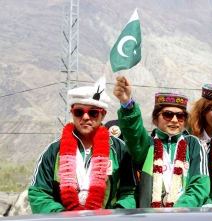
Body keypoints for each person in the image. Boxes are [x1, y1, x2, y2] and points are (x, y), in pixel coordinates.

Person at [28, 76, 137, 213]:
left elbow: (130, 192)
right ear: (72, 113)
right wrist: (61, 216)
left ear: (103, 115)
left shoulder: (119, 149)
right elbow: (38, 193)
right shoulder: (53, 150)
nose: (85, 117)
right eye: (79, 112)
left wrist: (114, 216)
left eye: (93, 112)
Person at [113, 76, 210, 208]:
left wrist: (179, 211)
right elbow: (133, 134)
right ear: (155, 118)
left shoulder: (193, 144)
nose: (175, 120)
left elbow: (200, 185)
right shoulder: (147, 145)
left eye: (180, 116)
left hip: (186, 216)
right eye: (168, 114)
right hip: (152, 217)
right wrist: (127, 104)